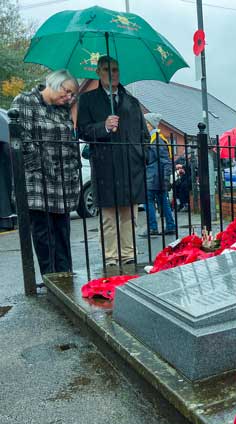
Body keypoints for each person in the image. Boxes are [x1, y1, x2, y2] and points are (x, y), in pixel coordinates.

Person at [78, 56, 150, 266]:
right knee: (109, 218)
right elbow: (82, 131)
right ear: (99, 73)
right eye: (108, 69)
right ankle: (111, 258)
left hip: (130, 167)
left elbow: (144, 135)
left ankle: (128, 255)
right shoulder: (88, 100)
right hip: (105, 167)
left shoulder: (132, 102)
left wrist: (141, 155)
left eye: (116, 69)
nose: (114, 73)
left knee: (130, 216)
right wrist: (104, 126)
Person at [10, 69, 80, 273]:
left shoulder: (63, 109)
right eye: (67, 92)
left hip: (63, 182)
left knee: (62, 232)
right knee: (44, 234)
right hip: (38, 181)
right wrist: (44, 163)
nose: (69, 97)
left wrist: (74, 164)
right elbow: (21, 137)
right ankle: (50, 278)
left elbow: (69, 141)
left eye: (72, 95)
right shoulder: (25, 101)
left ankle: (65, 275)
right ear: (54, 84)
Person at [140, 112, 176, 236]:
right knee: (162, 201)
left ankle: (153, 227)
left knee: (148, 200)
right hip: (156, 177)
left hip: (154, 177)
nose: (143, 124)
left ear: (150, 125)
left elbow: (165, 162)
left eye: (145, 122)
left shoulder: (158, 140)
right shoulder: (154, 138)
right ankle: (170, 225)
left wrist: (166, 179)